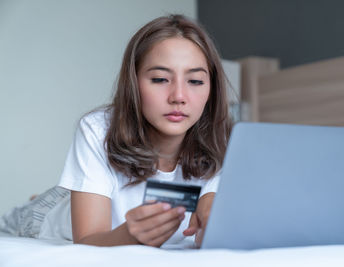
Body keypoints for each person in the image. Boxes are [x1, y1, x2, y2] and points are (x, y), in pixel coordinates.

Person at [0, 14, 232, 248]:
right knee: (19, 216)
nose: (179, 97)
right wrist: (130, 236)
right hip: (48, 215)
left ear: (211, 88)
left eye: (195, 81)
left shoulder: (227, 143)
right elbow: (88, 239)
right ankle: (50, 198)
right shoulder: (98, 129)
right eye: (161, 79)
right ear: (134, 82)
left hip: (95, 190)